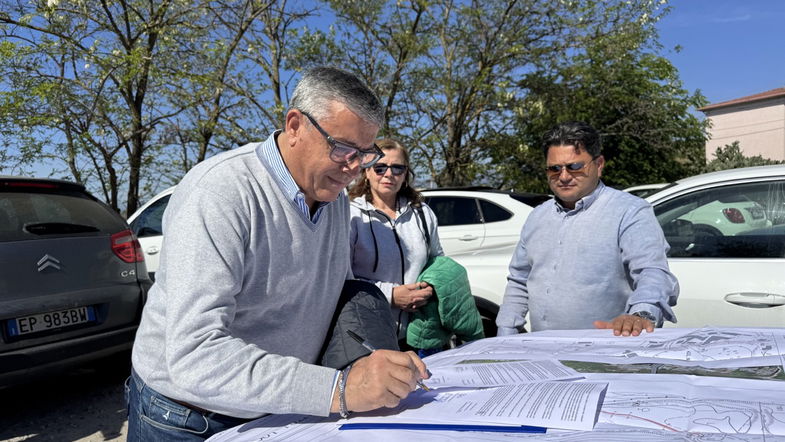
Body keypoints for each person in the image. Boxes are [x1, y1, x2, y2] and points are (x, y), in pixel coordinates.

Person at [126, 67, 429, 441]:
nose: (354, 169)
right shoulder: (220, 193)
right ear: (295, 125)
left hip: (276, 408)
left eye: (365, 154)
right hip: (187, 417)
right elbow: (195, 356)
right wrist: (339, 389)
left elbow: (332, 292)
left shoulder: (330, 195)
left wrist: (369, 355)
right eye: (343, 149)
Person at [496, 121, 679, 337]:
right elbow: (519, 280)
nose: (563, 176)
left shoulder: (629, 212)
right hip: (544, 351)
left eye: (575, 167)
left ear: (599, 165)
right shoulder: (538, 216)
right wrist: (506, 333)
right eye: (554, 169)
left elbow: (652, 271)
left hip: (605, 354)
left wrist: (641, 315)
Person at [347, 139, 444, 345]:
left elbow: (438, 263)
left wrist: (429, 289)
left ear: (406, 174)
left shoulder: (423, 213)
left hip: (420, 333)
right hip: (368, 335)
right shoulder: (351, 215)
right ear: (367, 171)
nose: (389, 174)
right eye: (380, 167)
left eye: (397, 168)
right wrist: (390, 295)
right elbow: (341, 278)